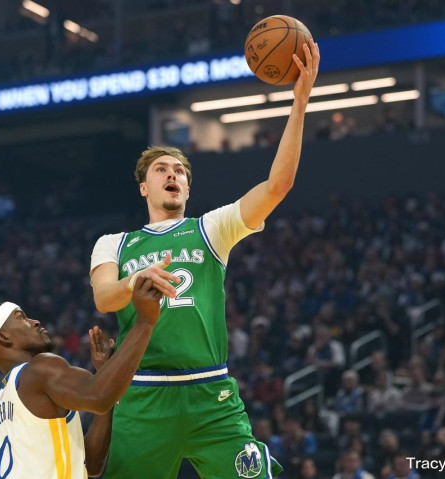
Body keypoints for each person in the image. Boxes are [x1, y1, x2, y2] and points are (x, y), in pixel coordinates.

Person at [90, 40, 320, 479]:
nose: (172, 174)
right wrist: (138, 280)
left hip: (211, 393)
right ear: (144, 187)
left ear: (187, 188)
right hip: (142, 396)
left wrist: (300, 103)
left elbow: (277, 186)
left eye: (179, 171)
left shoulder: (211, 228)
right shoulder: (114, 244)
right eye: (161, 169)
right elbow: (104, 298)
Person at [0, 276, 164, 479]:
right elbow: (98, 397)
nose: (35, 322)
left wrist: (106, 376)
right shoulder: (39, 369)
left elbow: (91, 464)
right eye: (22, 318)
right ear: (3, 337)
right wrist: (145, 322)